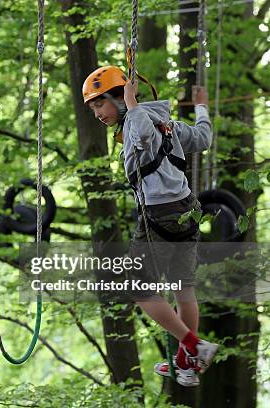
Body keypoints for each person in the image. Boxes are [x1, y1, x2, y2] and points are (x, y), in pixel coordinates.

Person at [82, 66, 219, 387]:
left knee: (138, 288)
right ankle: (187, 364)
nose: (98, 114)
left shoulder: (136, 120)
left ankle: (193, 344)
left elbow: (142, 137)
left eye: (100, 104)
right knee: (183, 287)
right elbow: (203, 137)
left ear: (120, 96)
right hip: (186, 208)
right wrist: (202, 108)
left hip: (159, 213)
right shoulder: (166, 123)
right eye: (92, 109)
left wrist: (131, 105)